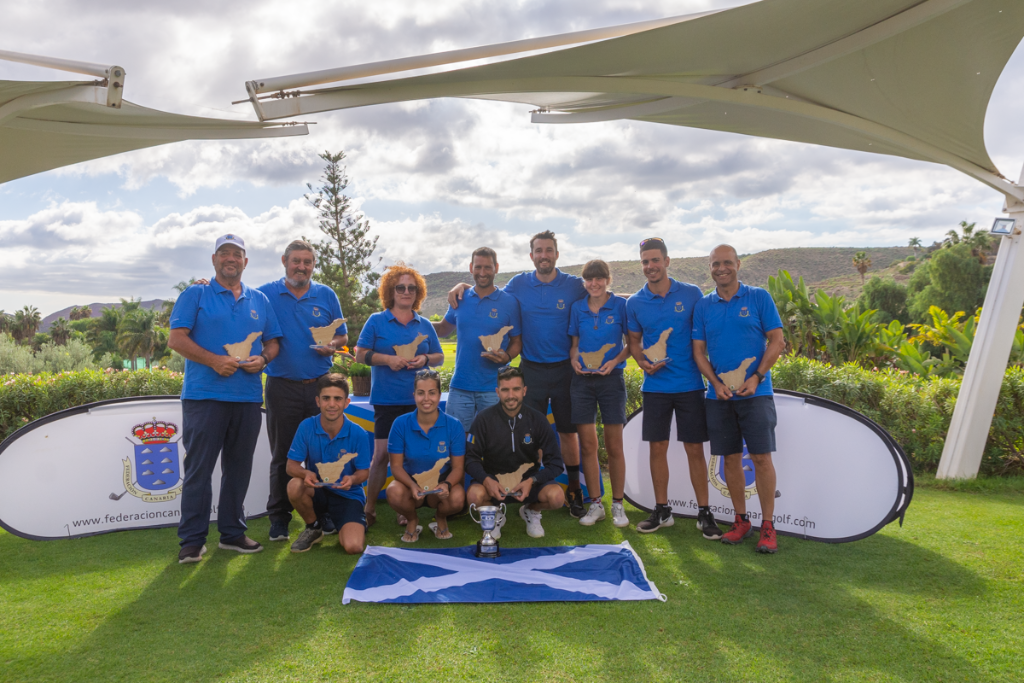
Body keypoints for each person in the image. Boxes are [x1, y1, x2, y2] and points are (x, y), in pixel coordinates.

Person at [449, 231, 588, 517]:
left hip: (564, 369)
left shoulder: (574, 285)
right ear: (532, 255)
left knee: (567, 433)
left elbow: (603, 293)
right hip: (532, 369)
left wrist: (634, 300)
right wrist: (462, 284)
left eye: (549, 250)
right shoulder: (518, 284)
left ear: (557, 254)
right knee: (530, 433)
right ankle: (518, 489)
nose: (544, 255)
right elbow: (486, 289)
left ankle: (573, 488)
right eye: (539, 250)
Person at [168, 233, 282, 564]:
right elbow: (176, 339)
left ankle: (232, 533)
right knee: (199, 468)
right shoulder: (196, 293)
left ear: (245, 261)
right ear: (214, 259)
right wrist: (214, 360)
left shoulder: (259, 299)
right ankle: (192, 540)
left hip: (247, 398)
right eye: (224, 253)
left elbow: (273, 342)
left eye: (237, 253)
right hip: (204, 396)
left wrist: (263, 360)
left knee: (238, 468)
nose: (230, 258)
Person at [692, 244, 786, 554]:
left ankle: (768, 526)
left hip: (756, 394)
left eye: (727, 263)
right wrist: (715, 383)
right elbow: (698, 352)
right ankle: (741, 521)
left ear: (738, 264)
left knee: (761, 458)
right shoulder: (704, 306)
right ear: (710, 267)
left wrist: (757, 376)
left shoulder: (759, 297)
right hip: (718, 397)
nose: (722, 268)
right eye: (716, 264)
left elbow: (777, 340)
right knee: (729, 459)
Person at [625, 237, 717, 536]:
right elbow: (635, 342)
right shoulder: (635, 302)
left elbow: (703, 337)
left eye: (654, 260)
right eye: (645, 261)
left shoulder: (691, 294)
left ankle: (705, 512)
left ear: (667, 261)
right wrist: (642, 363)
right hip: (655, 387)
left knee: (694, 449)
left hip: (690, 384)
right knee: (657, 449)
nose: (650, 266)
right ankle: (662, 510)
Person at [258, 239, 348, 543]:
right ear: (285, 261)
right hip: (281, 386)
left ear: (313, 265)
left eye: (307, 262)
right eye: (296, 261)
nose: (302, 267)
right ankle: (279, 519)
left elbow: (342, 334)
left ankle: (323, 514)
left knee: (323, 454)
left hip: (320, 388)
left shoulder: (326, 294)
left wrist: (332, 346)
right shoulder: (265, 294)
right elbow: (239, 300)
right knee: (283, 456)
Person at [355, 264, 444, 527]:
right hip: (387, 400)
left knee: (410, 457)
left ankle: (403, 508)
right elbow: (360, 354)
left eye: (411, 288)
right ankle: (369, 509)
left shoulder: (425, 324)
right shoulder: (376, 321)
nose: (406, 292)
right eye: (400, 287)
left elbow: (438, 357)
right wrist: (388, 360)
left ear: (417, 293)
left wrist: (425, 358)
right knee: (381, 456)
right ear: (390, 291)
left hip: (420, 402)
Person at [465, 366, 565, 539]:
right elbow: (470, 459)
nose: (511, 395)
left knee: (557, 498)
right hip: (494, 484)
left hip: (527, 484)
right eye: (505, 390)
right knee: (474, 496)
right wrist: (486, 480)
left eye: (516, 389)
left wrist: (533, 480)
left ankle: (530, 510)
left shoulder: (538, 419)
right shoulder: (483, 419)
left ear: (524, 391)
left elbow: (555, 463)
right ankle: (495, 513)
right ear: (497, 392)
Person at [568, 259, 630, 527]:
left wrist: (613, 362)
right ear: (584, 282)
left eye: (599, 278)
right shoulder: (577, 307)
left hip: (611, 380)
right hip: (582, 382)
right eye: (589, 279)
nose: (594, 284)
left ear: (608, 280)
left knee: (614, 445)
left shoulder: (621, 306)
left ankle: (618, 505)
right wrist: (573, 359)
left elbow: (631, 344)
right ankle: (596, 504)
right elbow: (575, 345)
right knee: (588, 446)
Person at [432, 247, 522, 432]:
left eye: (488, 267)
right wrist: (414, 320)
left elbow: (517, 341)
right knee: (457, 443)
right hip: (460, 388)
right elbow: (442, 329)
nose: (482, 273)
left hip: (494, 388)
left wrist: (506, 357)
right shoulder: (460, 298)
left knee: (495, 443)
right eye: (478, 267)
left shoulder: (509, 302)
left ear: (496, 268)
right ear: (471, 267)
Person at [286, 374, 371, 555]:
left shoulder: (359, 434)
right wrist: (305, 474)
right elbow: (291, 466)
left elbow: (364, 472)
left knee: (353, 547)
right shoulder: (306, 426)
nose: (331, 404)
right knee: (294, 485)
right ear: (318, 401)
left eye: (337, 399)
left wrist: (353, 478)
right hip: (318, 490)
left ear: (346, 402)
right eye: (326, 398)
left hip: (348, 495)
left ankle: (352, 521)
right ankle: (314, 527)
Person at [386, 369, 467, 542]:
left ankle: (440, 517)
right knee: (393, 491)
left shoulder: (454, 425)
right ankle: (412, 519)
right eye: (421, 393)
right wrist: (411, 485)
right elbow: (396, 466)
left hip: (439, 487)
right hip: (412, 486)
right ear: (414, 394)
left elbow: (459, 467)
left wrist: (446, 484)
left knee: (458, 498)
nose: (426, 399)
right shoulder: (400, 423)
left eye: (432, 393)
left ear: (439, 394)